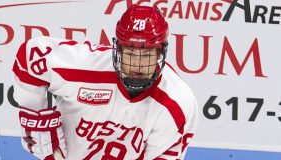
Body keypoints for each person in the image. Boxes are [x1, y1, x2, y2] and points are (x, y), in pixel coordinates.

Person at [12, 5, 198, 160]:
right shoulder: (87, 66)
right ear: (118, 49)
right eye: (130, 53)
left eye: (147, 55)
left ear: (160, 53)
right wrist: (34, 115)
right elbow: (29, 57)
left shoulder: (177, 103)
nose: (137, 65)